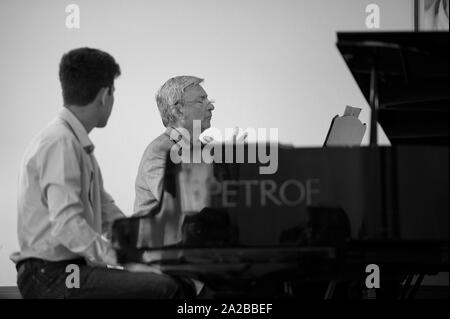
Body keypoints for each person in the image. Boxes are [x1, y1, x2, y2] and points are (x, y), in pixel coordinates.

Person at [10, 48, 192, 299]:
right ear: (106, 95)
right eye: (113, 93)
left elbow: (106, 211)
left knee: (170, 280)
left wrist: (141, 251)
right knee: (166, 289)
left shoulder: (74, 144)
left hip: (67, 270)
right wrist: (125, 259)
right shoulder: (61, 143)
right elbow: (69, 226)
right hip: (52, 275)